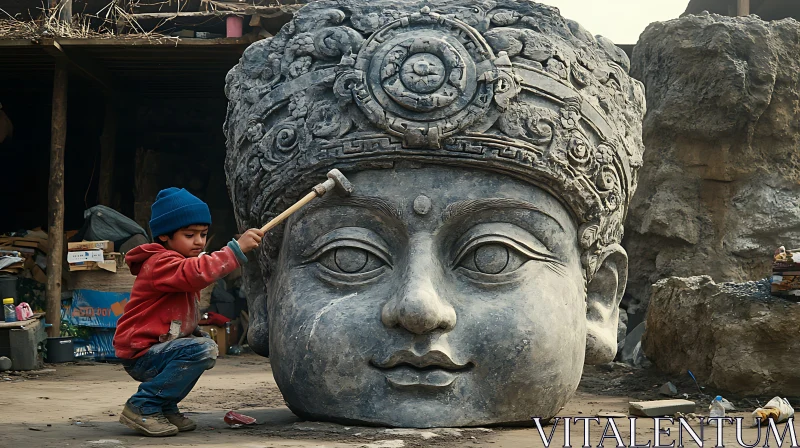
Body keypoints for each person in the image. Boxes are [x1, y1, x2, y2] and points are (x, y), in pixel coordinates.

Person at [112, 187, 263, 437]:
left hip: (159, 348)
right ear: (164, 237)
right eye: (189, 234)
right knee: (200, 350)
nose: (199, 241)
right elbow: (196, 273)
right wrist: (236, 250)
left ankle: (165, 406)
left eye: (203, 234)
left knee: (202, 346)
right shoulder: (160, 262)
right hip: (142, 353)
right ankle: (143, 406)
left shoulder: (176, 262)